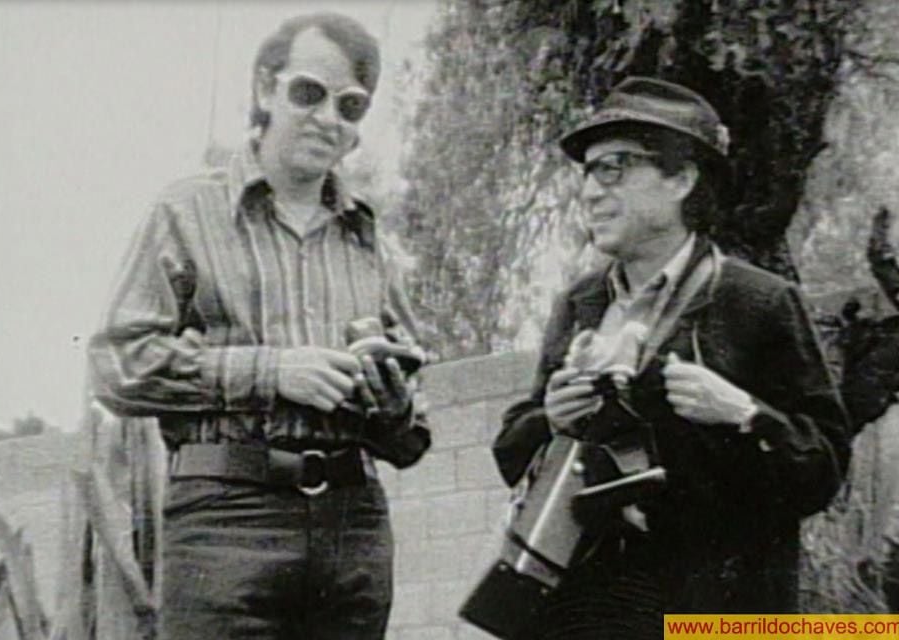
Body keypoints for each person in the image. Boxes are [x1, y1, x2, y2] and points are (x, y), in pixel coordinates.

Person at [88, 13, 429, 640]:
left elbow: (411, 439)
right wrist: (270, 371)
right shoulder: (187, 211)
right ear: (265, 88)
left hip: (351, 525)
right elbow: (115, 365)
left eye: (350, 106)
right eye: (309, 93)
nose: (328, 118)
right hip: (225, 519)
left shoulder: (369, 240)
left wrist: (392, 403)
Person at [492, 77, 850, 638]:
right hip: (587, 611)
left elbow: (823, 470)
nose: (590, 191)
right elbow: (511, 451)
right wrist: (551, 419)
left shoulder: (758, 302)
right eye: (587, 172)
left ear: (682, 179)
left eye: (615, 168)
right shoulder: (581, 303)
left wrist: (743, 413)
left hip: (712, 612)